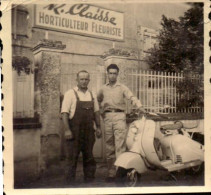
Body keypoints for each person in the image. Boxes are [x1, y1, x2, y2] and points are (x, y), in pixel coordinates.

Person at [97, 64, 146, 182]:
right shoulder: (103, 88)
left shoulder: (122, 87)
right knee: (109, 147)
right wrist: (102, 112)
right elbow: (98, 100)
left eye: (114, 73)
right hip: (107, 117)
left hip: (119, 116)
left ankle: (120, 173)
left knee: (120, 146)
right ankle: (111, 173)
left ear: (117, 74)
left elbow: (132, 97)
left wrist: (140, 107)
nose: (112, 75)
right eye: (110, 73)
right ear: (107, 74)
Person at [61, 70, 102, 183]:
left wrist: (98, 127)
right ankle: (69, 183)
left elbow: (96, 112)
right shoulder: (70, 93)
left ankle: (89, 181)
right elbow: (64, 113)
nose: (84, 81)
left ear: (89, 80)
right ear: (77, 80)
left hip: (89, 131)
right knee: (72, 157)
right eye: (81, 79)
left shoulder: (92, 94)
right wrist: (67, 130)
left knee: (89, 156)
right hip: (74, 131)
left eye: (86, 79)